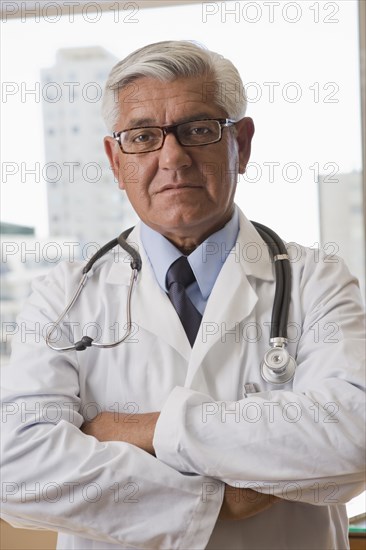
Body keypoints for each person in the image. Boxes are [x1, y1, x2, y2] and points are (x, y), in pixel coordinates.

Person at [1, 40, 365, 550]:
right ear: (114, 159)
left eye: (198, 130)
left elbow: (351, 437)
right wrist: (212, 500)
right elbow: (16, 465)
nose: (172, 157)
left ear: (242, 142)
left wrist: (145, 429)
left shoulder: (315, 279)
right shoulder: (64, 295)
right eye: (143, 136)